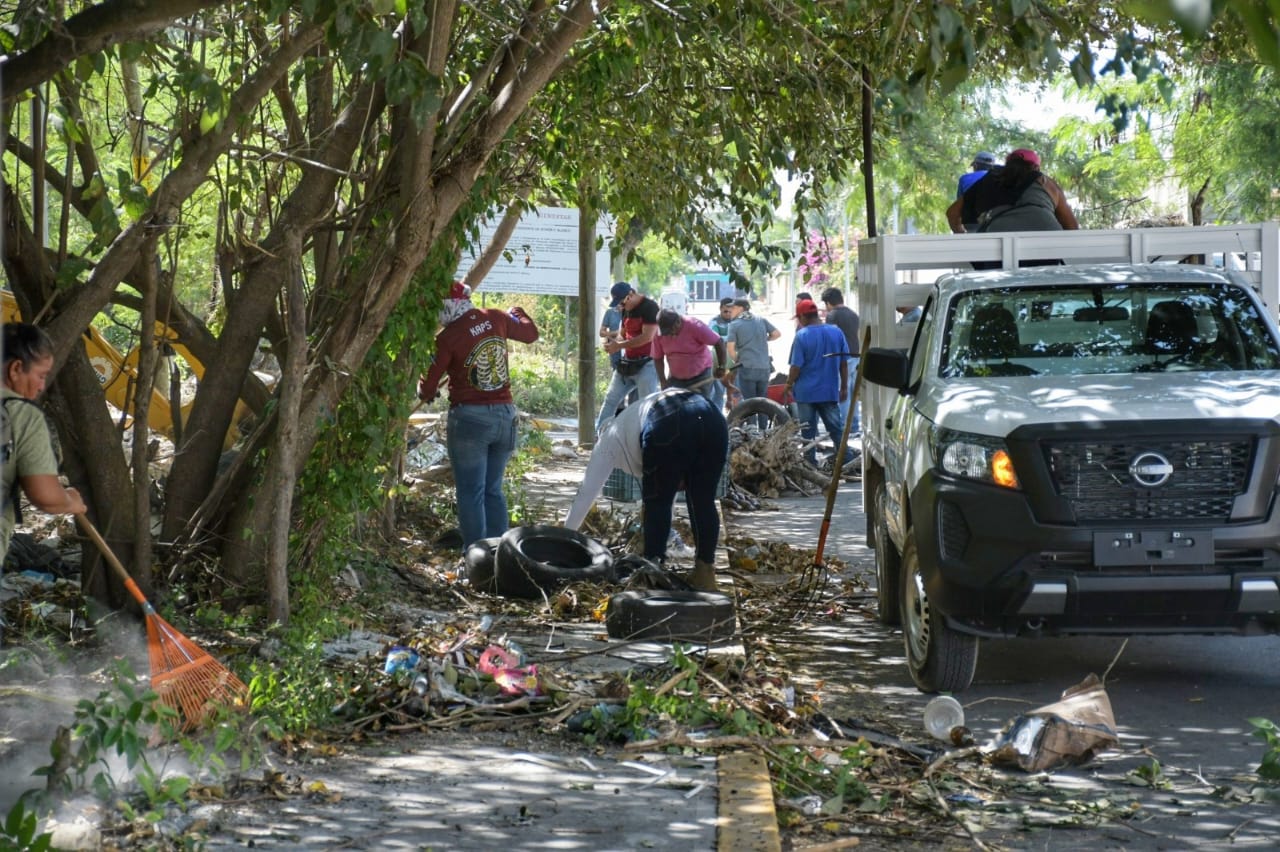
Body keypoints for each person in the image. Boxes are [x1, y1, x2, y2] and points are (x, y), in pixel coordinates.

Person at [566, 388, 728, 591]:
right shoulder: (632, 416)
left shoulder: (608, 437)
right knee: (702, 501)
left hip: (668, 421)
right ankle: (705, 572)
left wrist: (564, 536)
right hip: (713, 418)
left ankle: (652, 572)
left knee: (657, 501)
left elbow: (586, 493)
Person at [418, 282, 539, 549]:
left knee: (471, 492)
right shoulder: (495, 317)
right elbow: (531, 334)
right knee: (493, 490)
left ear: (448, 306)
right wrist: (516, 311)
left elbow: (428, 387)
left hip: (470, 420)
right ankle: (502, 555)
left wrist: (424, 390)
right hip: (505, 416)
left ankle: (475, 556)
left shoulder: (447, 338)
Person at [3, 323, 88, 639]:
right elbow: (44, 495)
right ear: (15, 369)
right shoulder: (20, 415)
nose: (41, 386)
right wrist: (70, 501)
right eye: (40, 375)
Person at [784, 299, 852, 466]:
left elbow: (796, 367)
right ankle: (846, 460)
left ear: (802, 317)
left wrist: (788, 385)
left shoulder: (802, 336)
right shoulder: (837, 333)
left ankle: (810, 464)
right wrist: (843, 387)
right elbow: (844, 363)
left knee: (808, 432)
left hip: (806, 393)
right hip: (828, 391)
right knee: (836, 429)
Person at [947, 148, 1079, 235]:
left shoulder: (989, 179)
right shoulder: (1047, 182)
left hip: (998, 240)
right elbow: (1071, 227)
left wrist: (962, 236)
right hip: (1048, 238)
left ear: (1007, 164)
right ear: (1036, 167)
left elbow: (952, 213)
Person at [594, 281, 661, 435]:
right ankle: (600, 438)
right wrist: (614, 343)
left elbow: (647, 337)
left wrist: (619, 346)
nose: (621, 307)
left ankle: (647, 440)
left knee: (646, 405)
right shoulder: (626, 309)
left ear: (630, 295)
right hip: (627, 363)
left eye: (622, 302)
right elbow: (623, 333)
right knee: (611, 400)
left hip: (647, 365)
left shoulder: (649, 307)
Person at [651, 310, 727, 400]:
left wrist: (721, 366)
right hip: (676, 379)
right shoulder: (659, 334)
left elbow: (718, 342)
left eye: (671, 330)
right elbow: (657, 358)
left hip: (701, 376)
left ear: (678, 322)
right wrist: (663, 381)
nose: (670, 335)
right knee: (676, 407)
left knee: (701, 406)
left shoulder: (694, 325)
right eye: (666, 332)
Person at [820, 287, 861, 433]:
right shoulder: (853, 314)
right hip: (856, 356)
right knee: (852, 392)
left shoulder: (833, 316)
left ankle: (844, 425)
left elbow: (831, 338)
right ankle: (854, 425)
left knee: (842, 392)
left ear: (828, 303)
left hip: (841, 358)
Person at [725, 298, 780, 404]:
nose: (730, 310)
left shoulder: (734, 325)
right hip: (764, 368)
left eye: (733, 307)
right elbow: (777, 334)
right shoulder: (761, 320)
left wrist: (737, 360)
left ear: (741, 309)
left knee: (750, 403)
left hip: (747, 367)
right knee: (763, 402)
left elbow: (730, 348)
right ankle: (763, 421)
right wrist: (766, 339)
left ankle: (752, 421)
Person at [706, 297, 737, 411]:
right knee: (719, 392)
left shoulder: (737, 320)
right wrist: (731, 340)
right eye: (725, 311)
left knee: (735, 392)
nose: (728, 313)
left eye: (731, 311)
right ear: (720, 308)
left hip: (735, 361)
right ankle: (716, 417)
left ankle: (737, 419)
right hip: (719, 360)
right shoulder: (714, 321)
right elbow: (713, 338)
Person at [599, 300, 623, 373]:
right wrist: (616, 333)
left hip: (628, 347)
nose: (620, 306)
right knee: (616, 371)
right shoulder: (610, 312)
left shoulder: (631, 312)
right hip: (614, 348)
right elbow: (601, 333)